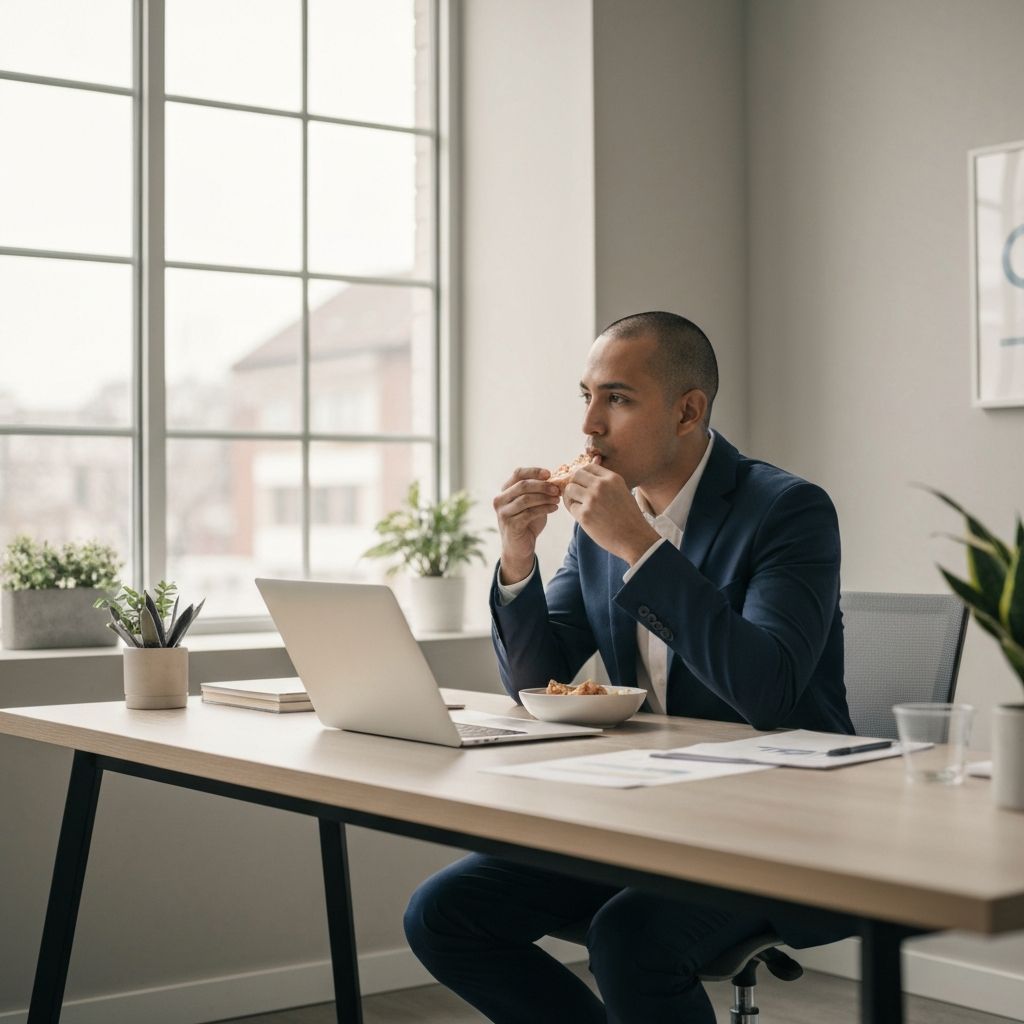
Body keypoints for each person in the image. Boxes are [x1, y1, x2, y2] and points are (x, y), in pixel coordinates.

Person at [404, 311, 854, 1024]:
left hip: (778, 822)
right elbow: (536, 680)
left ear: (687, 411)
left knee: (630, 940)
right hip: (654, 810)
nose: (588, 425)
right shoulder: (599, 525)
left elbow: (766, 691)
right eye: (585, 395)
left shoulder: (788, 510)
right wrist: (518, 556)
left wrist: (641, 550)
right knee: (443, 914)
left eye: (616, 398)